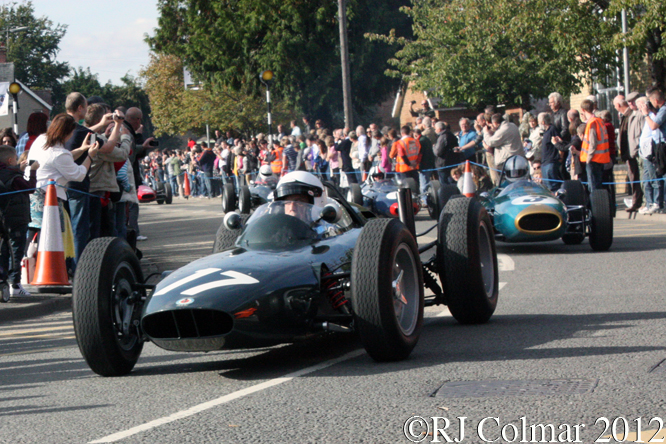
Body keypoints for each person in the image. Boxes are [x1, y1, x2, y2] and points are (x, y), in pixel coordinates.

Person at [0, 146, 39, 296]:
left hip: (2, 218)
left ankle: (3, 281)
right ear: (10, 160)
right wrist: (33, 170)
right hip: (16, 218)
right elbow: (29, 188)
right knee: (17, 250)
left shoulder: (9, 174)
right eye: (16, 159)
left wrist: (19, 169)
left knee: (3, 251)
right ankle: (15, 284)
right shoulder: (14, 177)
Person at [614, 95, 643, 212]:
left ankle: (638, 202)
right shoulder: (625, 116)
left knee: (637, 178)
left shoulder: (632, 115)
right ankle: (636, 201)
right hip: (628, 153)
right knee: (633, 178)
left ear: (618, 105)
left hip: (633, 152)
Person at [483, 113, 524, 182]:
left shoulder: (503, 130)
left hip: (506, 162)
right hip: (517, 159)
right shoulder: (512, 125)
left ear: (495, 123)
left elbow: (490, 142)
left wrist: (486, 132)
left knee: (506, 184)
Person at [580, 99, 610, 191]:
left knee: (593, 187)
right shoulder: (599, 121)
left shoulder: (592, 122)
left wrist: (588, 158)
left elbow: (593, 142)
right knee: (598, 185)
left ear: (583, 110)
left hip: (593, 159)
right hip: (600, 158)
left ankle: (595, 205)